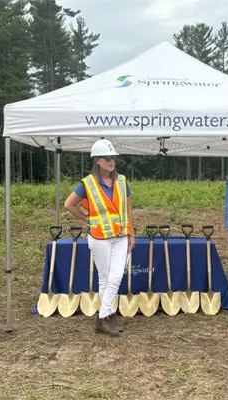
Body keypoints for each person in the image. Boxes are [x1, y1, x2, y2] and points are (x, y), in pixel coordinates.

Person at [64, 139, 135, 336]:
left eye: (112, 158)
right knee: (105, 278)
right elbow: (69, 205)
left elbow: (128, 209)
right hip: (99, 237)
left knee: (116, 275)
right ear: (97, 160)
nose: (111, 161)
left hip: (121, 236)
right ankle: (109, 315)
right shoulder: (87, 184)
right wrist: (86, 217)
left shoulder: (121, 181)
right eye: (106, 158)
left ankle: (102, 317)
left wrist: (131, 233)